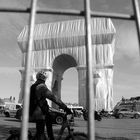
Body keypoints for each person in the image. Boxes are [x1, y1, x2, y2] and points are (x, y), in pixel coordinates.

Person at [29, 70, 72, 140]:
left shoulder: (33, 86)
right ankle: (49, 137)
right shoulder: (41, 87)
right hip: (39, 113)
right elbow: (53, 97)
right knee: (41, 133)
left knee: (48, 121)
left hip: (35, 111)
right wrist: (65, 108)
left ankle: (50, 137)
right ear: (45, 78)